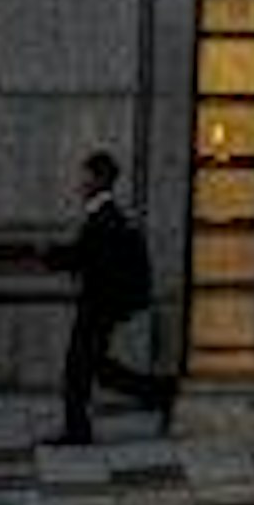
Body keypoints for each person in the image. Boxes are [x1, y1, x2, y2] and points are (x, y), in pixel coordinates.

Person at [46, 146, 173, 444]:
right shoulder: (106, 215)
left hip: (98, 305)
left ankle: (77, 430)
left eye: (86, 176)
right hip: (102, 304)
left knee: (77, 368)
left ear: (100, 179)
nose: (81, 182)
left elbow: (87, 257)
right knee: (98, 367)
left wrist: (52, 256)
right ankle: (158, 391)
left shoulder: (105, 217)